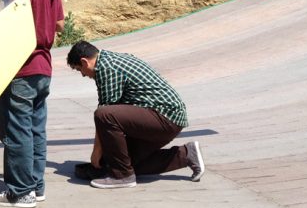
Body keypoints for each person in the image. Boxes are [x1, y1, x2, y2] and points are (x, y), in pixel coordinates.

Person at [0, 0, 66, 208]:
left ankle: (20, 192)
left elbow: (7, 23)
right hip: (43, 67)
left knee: (16, 130)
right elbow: (59, 24)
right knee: (35, 130)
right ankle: (36, 186)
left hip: (21, 66)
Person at [66, 40, 205, 189]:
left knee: (104, 114)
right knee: (124, 162)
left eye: (79, 70)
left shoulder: (106, 68)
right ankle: (186, 154)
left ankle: (122, 176)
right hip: (166, 118)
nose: (83, 75)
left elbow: (105, 114)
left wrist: (96, 154)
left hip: (164, 117)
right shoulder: (110, 59)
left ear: (84, 62)